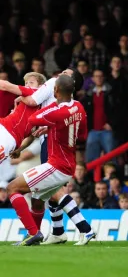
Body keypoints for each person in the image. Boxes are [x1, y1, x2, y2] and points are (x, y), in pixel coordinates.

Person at [7, 75, 95, 246]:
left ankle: (35, 233)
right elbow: (82, 135)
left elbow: (33, 119)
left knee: (12, 188)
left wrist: (48, 116)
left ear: (55, 90)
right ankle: (67, 232)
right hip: (68, 163)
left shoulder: (56, 111)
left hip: (56, 165)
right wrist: (53, 127)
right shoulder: (78, 106)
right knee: (39, 197)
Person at [0, 72, 46, 175]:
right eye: (26, 83)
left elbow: (32, 136)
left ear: (41, 86)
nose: (27, 85)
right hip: (7, 131)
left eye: (31, 82)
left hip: (9, 136)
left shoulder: (38, 98)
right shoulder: (35, 95)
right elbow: (4, 85)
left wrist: (20, 149)